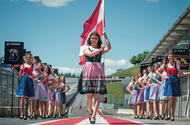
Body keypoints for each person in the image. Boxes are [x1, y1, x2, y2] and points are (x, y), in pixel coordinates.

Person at [80, 31, 111, 124]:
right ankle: (90, 112)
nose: (94, 40)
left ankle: (93, 116)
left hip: (98, 71)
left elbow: (109, 48)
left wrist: (105, 36)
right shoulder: (85, 48)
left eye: (96, 38)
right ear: (90, 39)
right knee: (89, 95)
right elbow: (90, 54)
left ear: (98, 40)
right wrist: (100, 49)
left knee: (97, 95)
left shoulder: (100, 49)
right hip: (89, 71)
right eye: (92, 38)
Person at [157, 52, 190, 121]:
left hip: (175, 80)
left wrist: (188, 73)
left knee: (174, 99)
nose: (170, 57)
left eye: (171, 56)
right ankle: (168, 114)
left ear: (173, 57)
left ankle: (172, 115)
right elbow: (157, 71)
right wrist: (163, 76)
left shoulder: (176, 64)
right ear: (167, 57)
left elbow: (181, 73)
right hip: (169, 81)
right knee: (170, 97)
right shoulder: (165, 65)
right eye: (169, 56)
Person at [15, 53, 35, 120]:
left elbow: (40, 74)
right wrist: (15, 70)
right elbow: (19, 75)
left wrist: (33, 77)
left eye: (30, 57)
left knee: (28, 98)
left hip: (29, 82)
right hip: (23, 81)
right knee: (22, 97)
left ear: (31, 58)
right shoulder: (22, 65)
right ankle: (21, 113)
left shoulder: (33, 65)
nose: (29, 58)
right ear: (25, 58)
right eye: (28, 57)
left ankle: (26, 114)